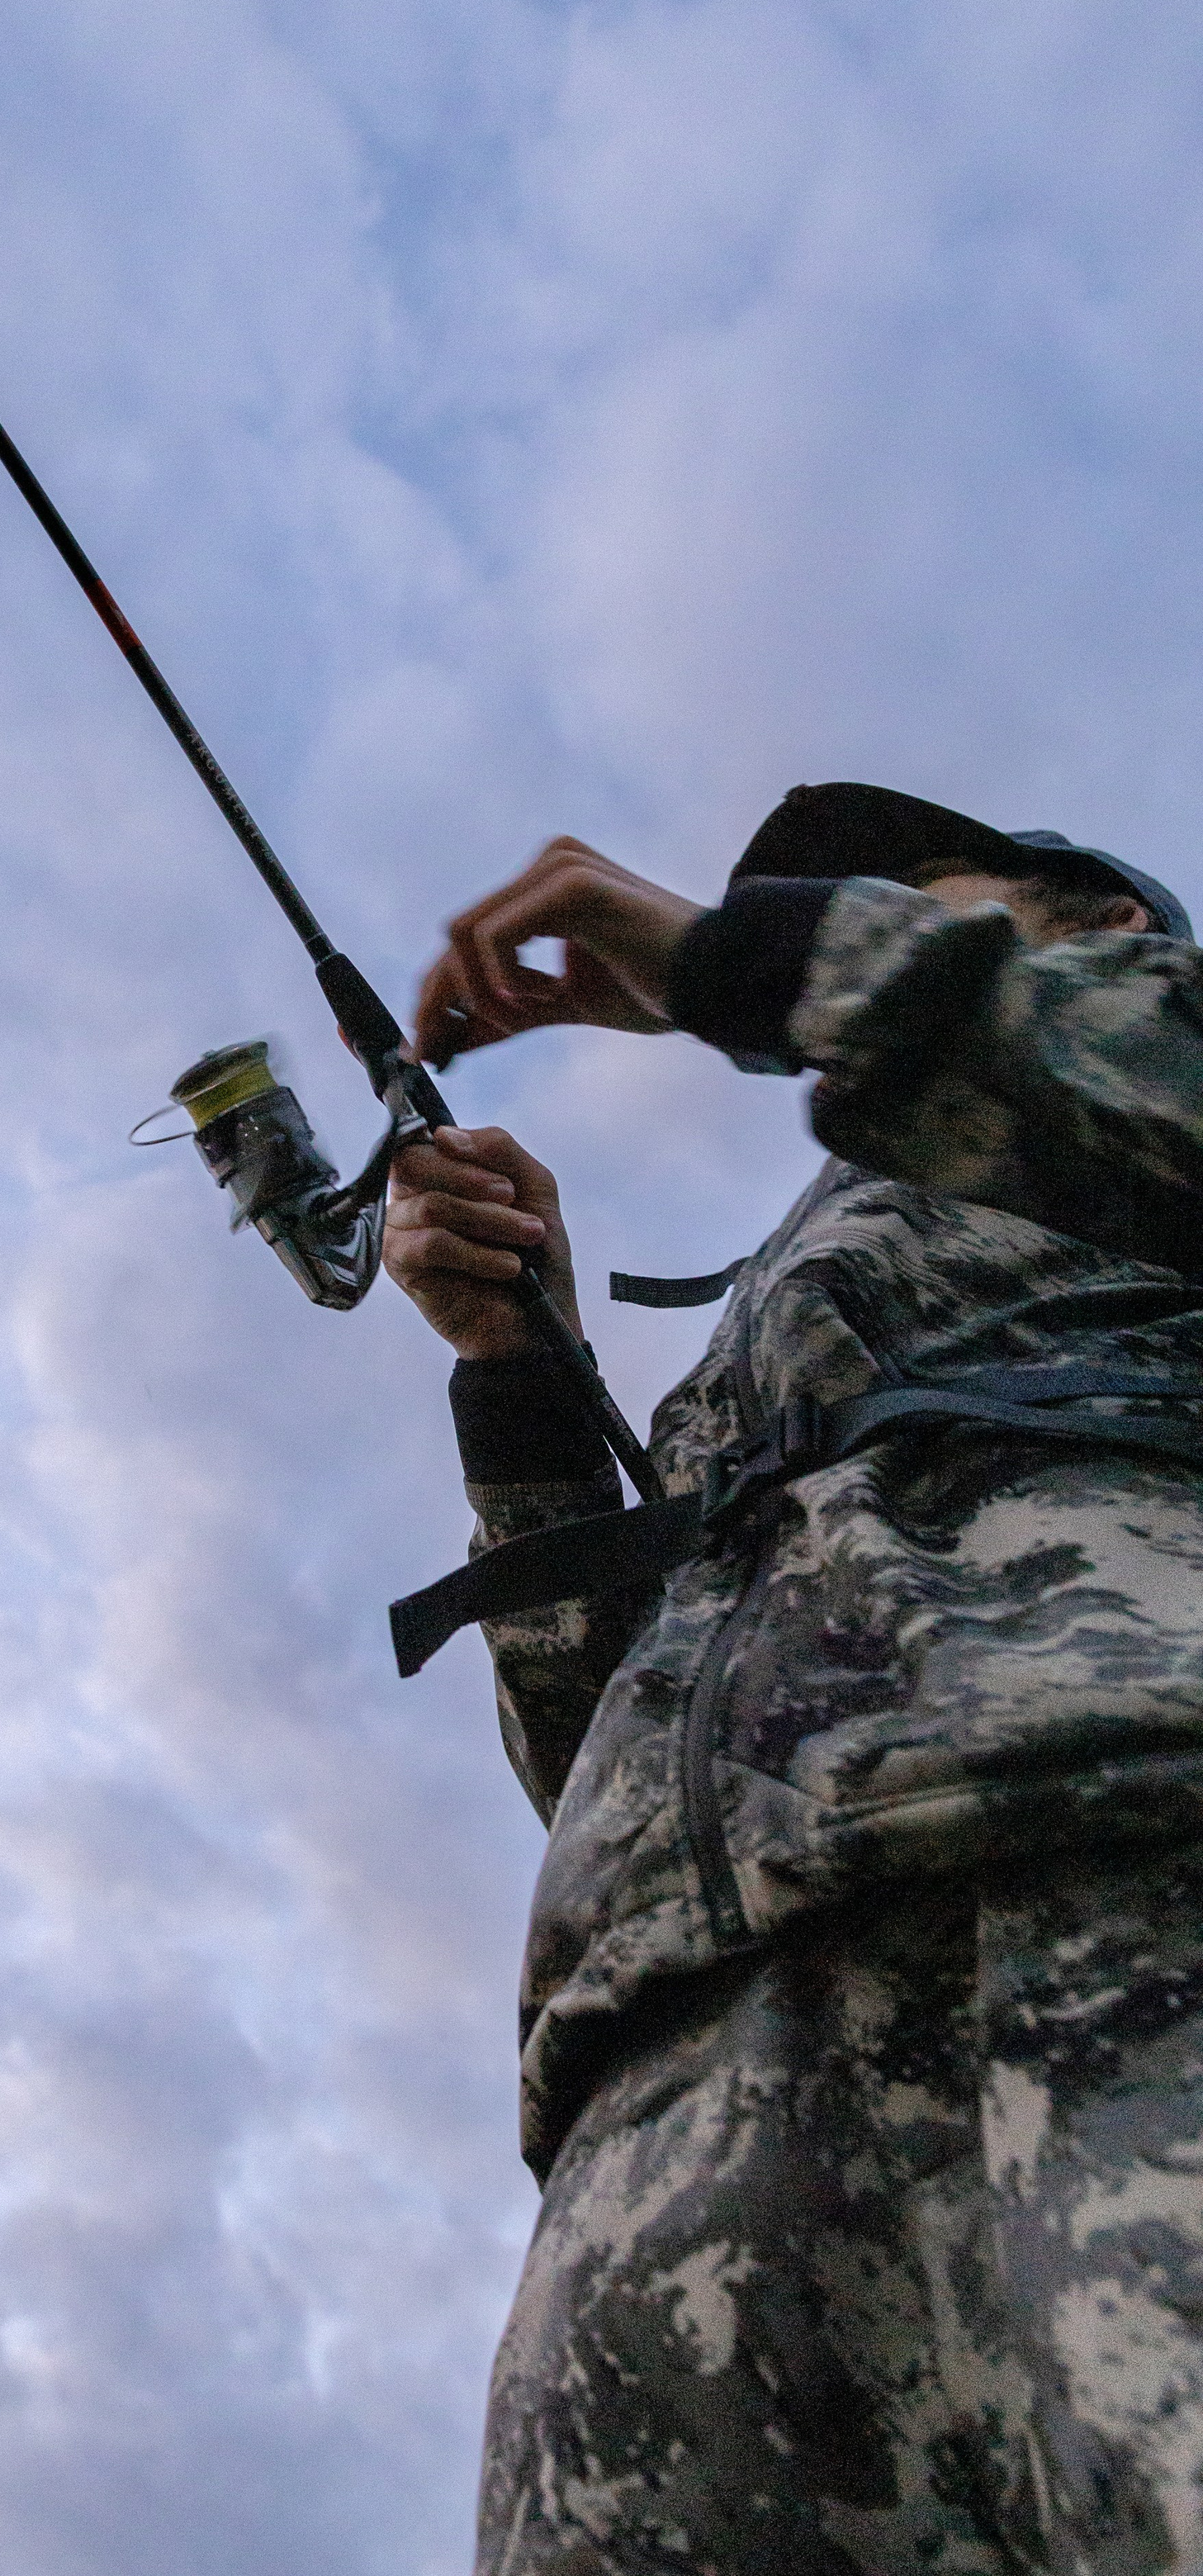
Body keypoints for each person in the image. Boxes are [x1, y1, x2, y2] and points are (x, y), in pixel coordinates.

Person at [381, 782, 1203, 2575]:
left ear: (1102, 925)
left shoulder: (1156, 1062)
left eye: (889, 892)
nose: (836, 913)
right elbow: (599, 1748)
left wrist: (750, 958)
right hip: (672, 2094)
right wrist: (522, 1377)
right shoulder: (768, 1339)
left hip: (1121, 1872)